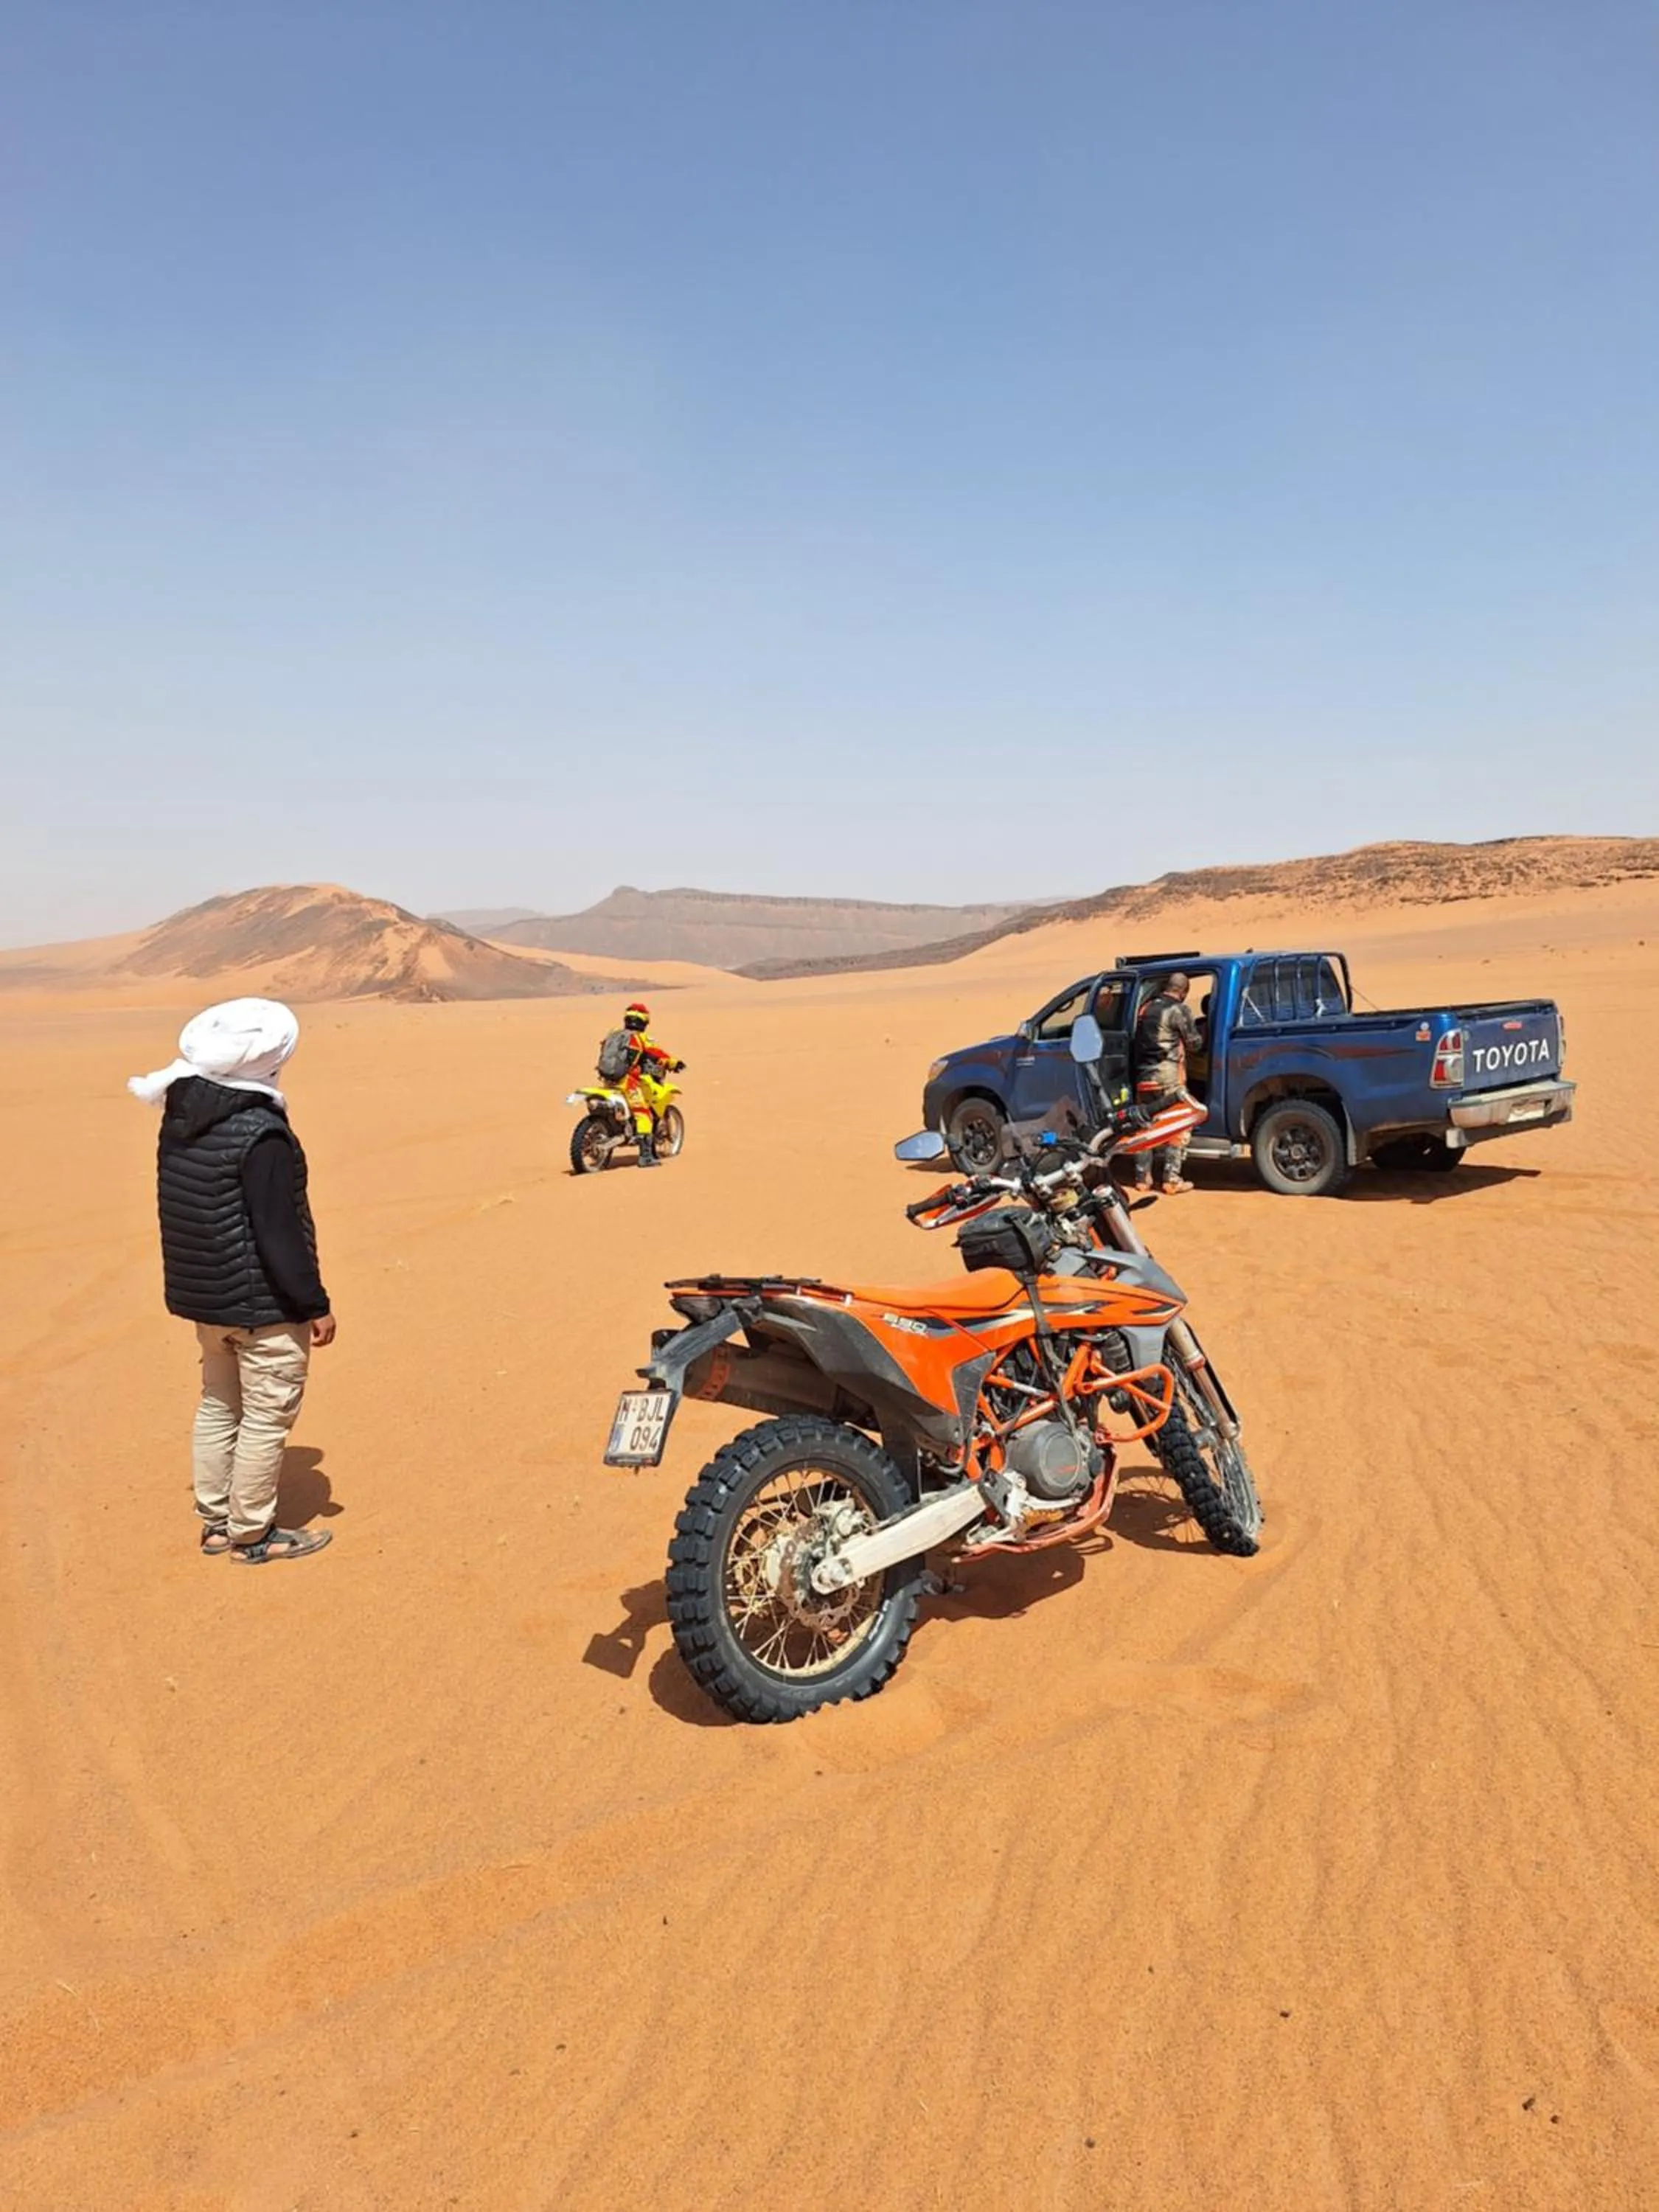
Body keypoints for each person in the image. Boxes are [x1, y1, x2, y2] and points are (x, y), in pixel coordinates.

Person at [128, 998, 336, 1562]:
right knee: (266, 1420)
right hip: (264, 1306)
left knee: (220, 1407)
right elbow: (278, 1232)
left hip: (208, 1300)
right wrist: (314, 1304)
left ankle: (216, 1522)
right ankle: (252, 1534)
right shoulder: (261, 1133)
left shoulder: (184, 1114)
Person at [1131, 971, 1200, 1196]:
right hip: (1168, 1077)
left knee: (1144, 1125)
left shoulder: (1145, 1009)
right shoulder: (1178, 1010)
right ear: (1183, 992)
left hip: (1143, 1078)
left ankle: (1142, 1179)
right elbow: (1194, 1044)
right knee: (1179, 1124)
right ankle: (1171, 1179)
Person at [604, 1001, 684, 1169]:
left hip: (608, 1081)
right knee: (643, 1114)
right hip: (628, 1082)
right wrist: (674, 1063)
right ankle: (646, 1157)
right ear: (644, 1023)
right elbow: (658, 1054)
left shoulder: (613, 1034)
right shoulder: (641, 1038)